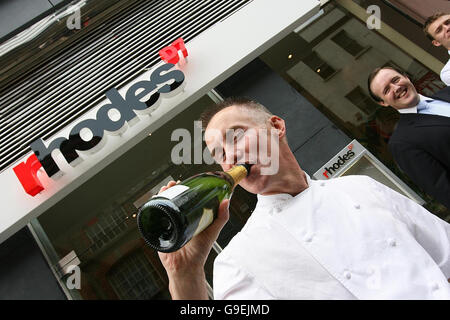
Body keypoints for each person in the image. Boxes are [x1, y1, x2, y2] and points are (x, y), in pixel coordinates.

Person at [157, 97, 450, 300]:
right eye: (220, 154)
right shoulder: (238, 259)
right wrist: (184, 275)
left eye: (236, 136)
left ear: (276, 126)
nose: (230, 155)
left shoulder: (362, 188)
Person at [368, 66, 450, 209]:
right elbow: (444, 189)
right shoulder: (402, 143)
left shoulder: (447, 93)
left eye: (395, 80)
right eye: (387, 90)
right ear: (383, 102)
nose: (396, 88)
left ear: (406, 76)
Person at [424, 12, 450, 85]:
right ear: (436, 42)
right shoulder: (447, 72)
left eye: (448, 22)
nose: (447, 28)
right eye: (439, 30)